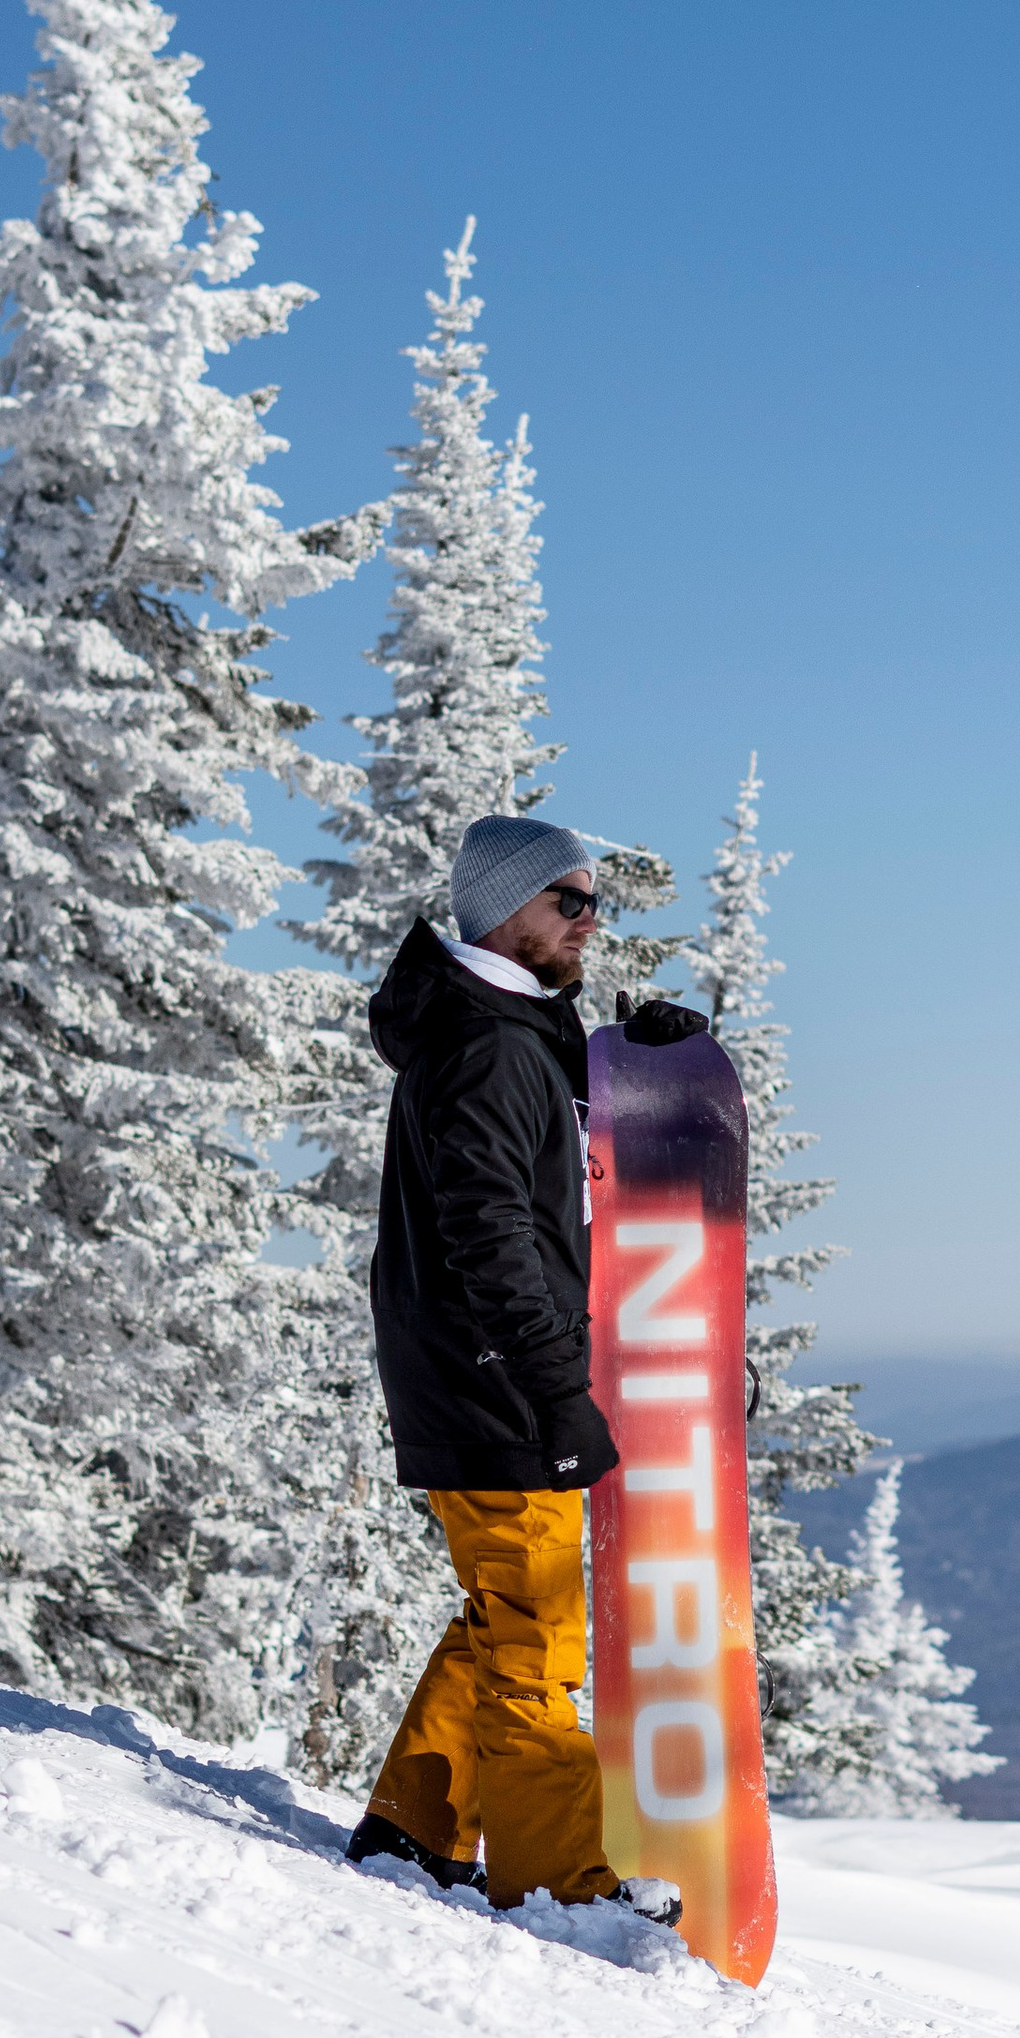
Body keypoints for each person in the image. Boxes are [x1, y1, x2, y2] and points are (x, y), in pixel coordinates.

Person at [348, 814, 693, 1916]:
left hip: (474, 1373)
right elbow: (489, 1230)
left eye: (594, 901)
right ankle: (562, 1885)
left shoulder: (503, 1025)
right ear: (509, 909)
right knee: (537, 1640)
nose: (593, 921)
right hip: (493, 1382)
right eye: (571, 900)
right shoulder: (490, 1043)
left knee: (502, 1611)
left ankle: (415, 1823)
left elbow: (541, 1156)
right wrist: (553, 1388)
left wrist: (634, 1055)